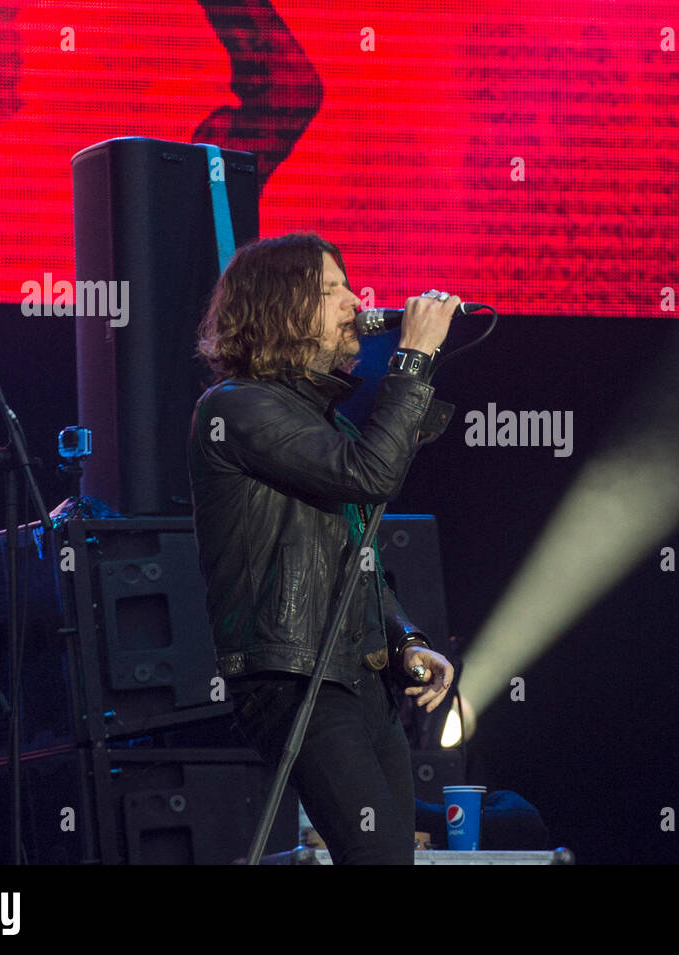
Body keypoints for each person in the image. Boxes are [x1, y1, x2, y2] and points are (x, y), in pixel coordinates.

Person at [187, 232, 457, 864]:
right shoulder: (237, 407)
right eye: (330, 289)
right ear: (281, 308)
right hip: (293, 675)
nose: (353, 300)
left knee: (394, 859)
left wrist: (406, 639)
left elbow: (355, 557)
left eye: (347, 286)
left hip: (358, 675)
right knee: (381, 858)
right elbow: (369, 473)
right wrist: (413, 358)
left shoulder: (325, 421)